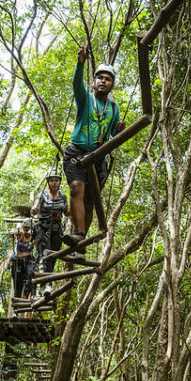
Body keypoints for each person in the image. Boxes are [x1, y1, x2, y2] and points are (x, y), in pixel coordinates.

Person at [62, 46, 125, 248]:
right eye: (100, 78)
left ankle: (80, 243)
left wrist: (118, 130)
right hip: (77, 153)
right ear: (94, 82)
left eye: (107, 79)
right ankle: (79, 234)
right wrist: (80, 63)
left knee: (90, 201)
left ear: (111, 85)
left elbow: (112, 136)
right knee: (75, 189)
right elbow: (75, 84)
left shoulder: (113, 108)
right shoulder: (86, 99)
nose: (103, 82)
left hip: (98, 158)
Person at [31, 169, 70, 295]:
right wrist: (35, 208)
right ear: (48, 182)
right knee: (45, 256)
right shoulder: (42, 194)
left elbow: (68, 212)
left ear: (59, 182)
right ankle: (48, 285)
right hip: (43, 229)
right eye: (52, 180)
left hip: (56, 230)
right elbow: (36, 204)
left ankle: (44, 284)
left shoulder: (63, 197)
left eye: (56, 180)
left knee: (53, 257)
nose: (54, 183)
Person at [11, 218, 36, 300]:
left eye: (28, 229)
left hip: (28, 260)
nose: (26, 231)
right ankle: (17, 301)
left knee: (31, 276)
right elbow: (15, 233)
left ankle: (31, 295)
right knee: (18, 282)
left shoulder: (33, 237)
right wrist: (16, 232)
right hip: (19, 260)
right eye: (25, 229)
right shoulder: (20, 234)